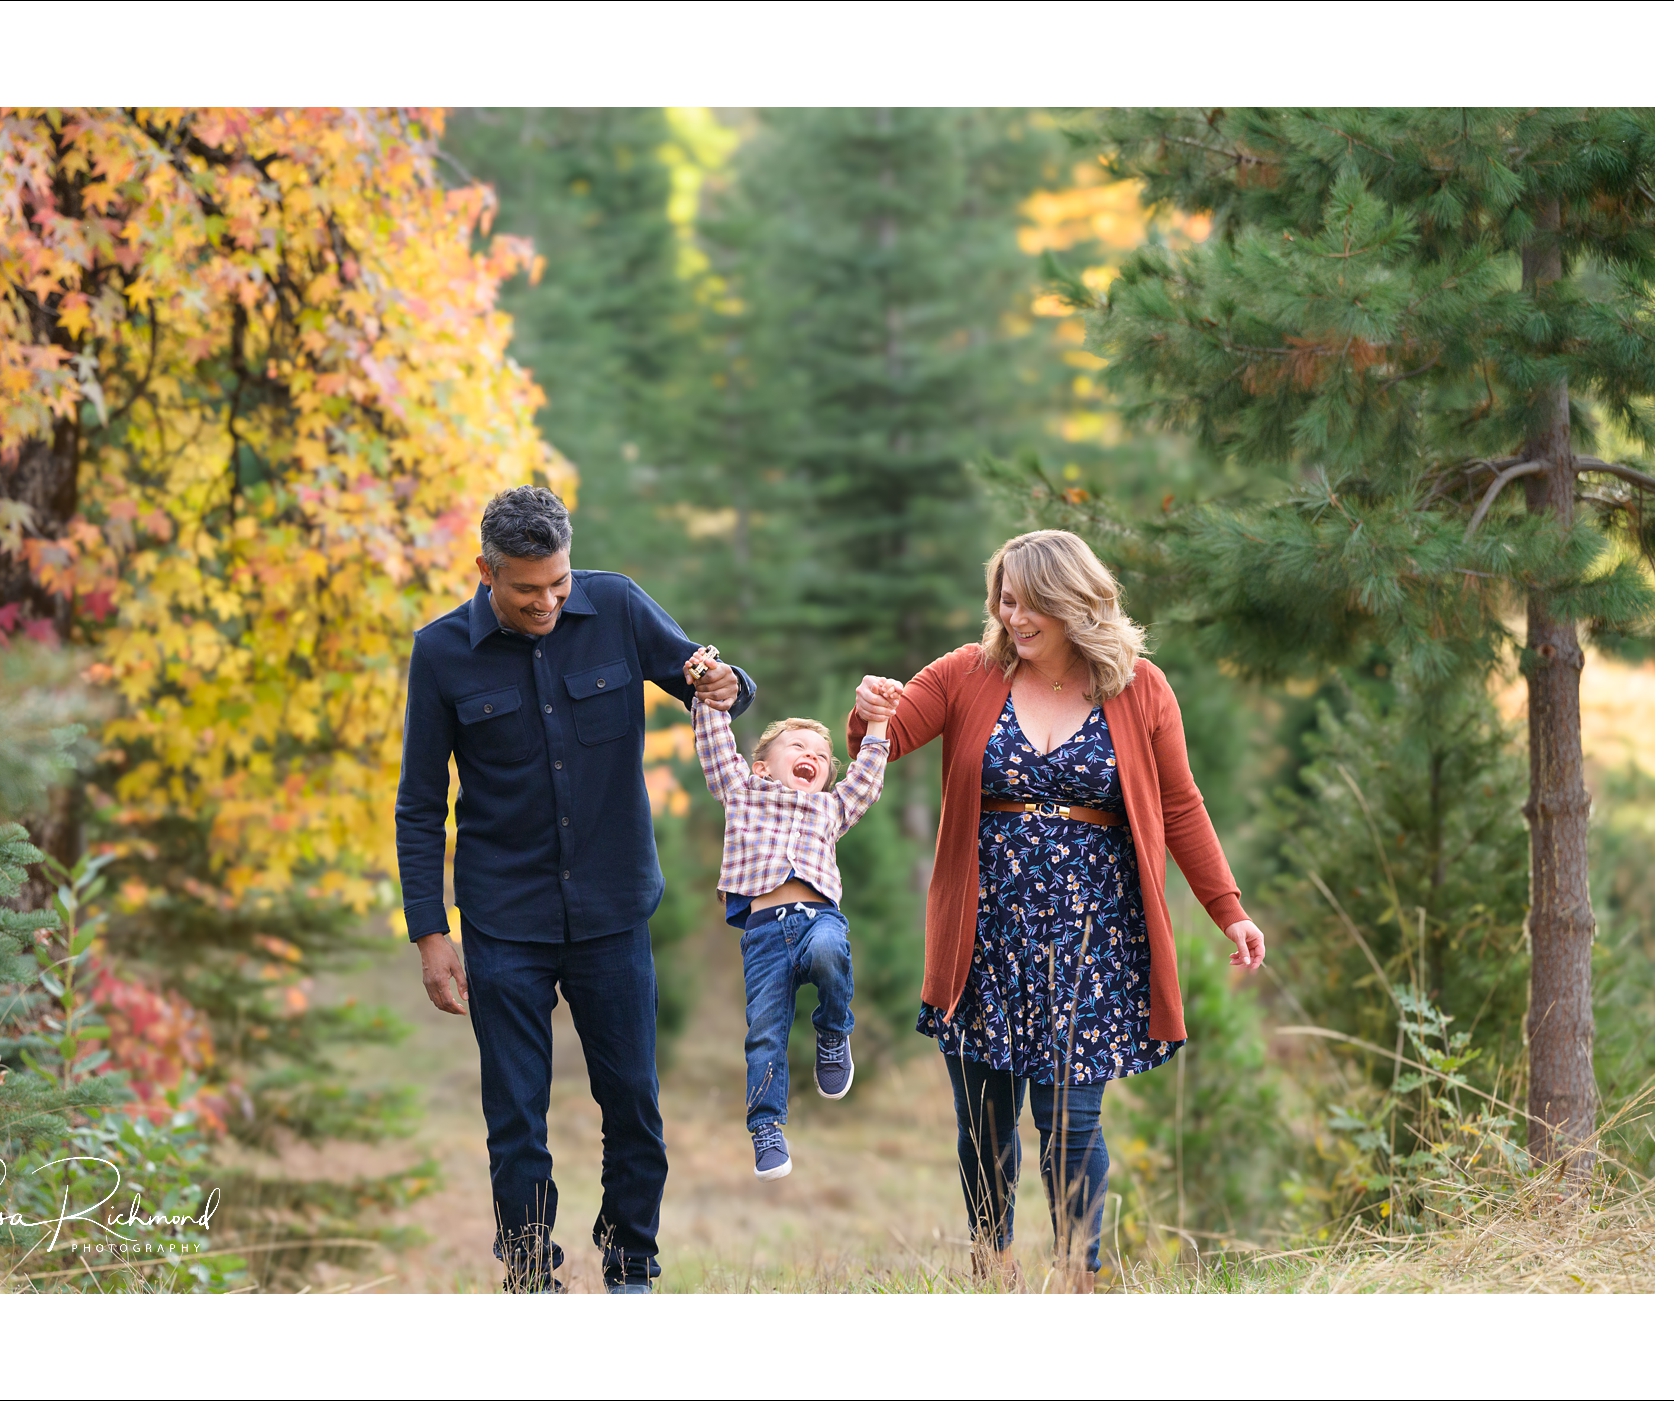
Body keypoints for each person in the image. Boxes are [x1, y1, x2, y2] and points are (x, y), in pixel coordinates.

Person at [844, 529, 1267, 1289]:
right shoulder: (966, 673)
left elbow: (1180, 804)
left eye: (1032, 602)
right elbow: (892, 736)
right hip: (985, 931)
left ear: (1076, 602)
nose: (1015, 616)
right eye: (1005, 599)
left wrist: (1227, 907)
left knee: (1071, 1119)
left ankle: (1080, 1274)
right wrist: (871, 710)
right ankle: (992, 1257)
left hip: (1093, 936)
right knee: (985, 1121)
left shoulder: (1139, 686)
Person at [395, 485, 753, 1294]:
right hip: (502, 923)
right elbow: (419, 808)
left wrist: (727, 684)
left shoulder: (618, 606)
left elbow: (712, 681)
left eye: (558, 583)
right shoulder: (441, 652)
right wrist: (430, 934)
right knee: (517, 1119)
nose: (550, 601)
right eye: (527, 590)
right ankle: (530, 1282)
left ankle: (632, 1269)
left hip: (613, 913)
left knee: (632, 1104)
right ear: (486, 570)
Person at [686, 646, 898, 1181]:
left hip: (817, 918)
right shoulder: (741, 791)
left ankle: (832, 1031)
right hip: (762, 935)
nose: (812, 756)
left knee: (830, 952)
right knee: (765, 1033)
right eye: (797, 746)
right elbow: (715, 747)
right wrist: (708, 694)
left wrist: (877, 723)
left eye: (822, 756)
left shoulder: (831, 807)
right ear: (762, 766)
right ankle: (767, 1126)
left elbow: (868, 779)